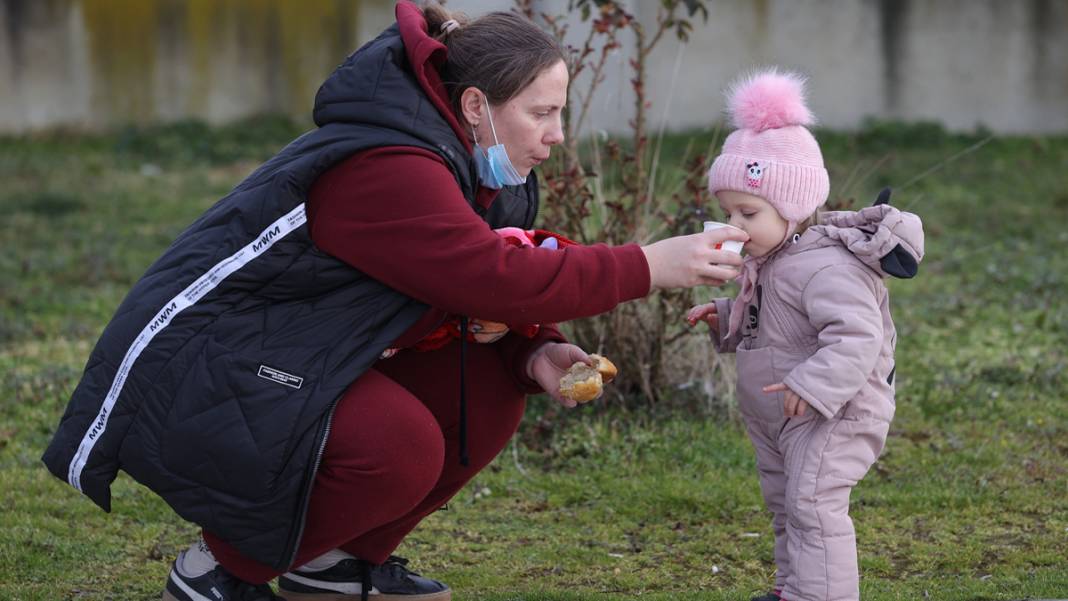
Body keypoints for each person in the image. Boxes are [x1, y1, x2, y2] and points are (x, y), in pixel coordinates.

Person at [41, 2, 748, 601]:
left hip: (297, 357)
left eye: (560, 113)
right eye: (543, 113)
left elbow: (493, 274)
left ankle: (331, 561)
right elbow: (487, 274)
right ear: (476, 106)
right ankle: (219, 570)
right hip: (203, 368)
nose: (558, 136)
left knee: (496, 373)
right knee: (398, 446)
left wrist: (537, 347)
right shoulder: (387, 165)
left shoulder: (475, 162)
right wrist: (649, 266)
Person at [686, 69, 924, 601]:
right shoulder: (772, 259)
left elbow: (856, 338)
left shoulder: (827, 267)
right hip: (782, 411)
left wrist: (814, 386)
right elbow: (771, 320)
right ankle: (792, 588)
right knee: (786, 502)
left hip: (835, 409)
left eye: (748, 212)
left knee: (813, 503)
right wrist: (725, 317)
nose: (736, 224)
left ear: (793, 207)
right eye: (727, 212)